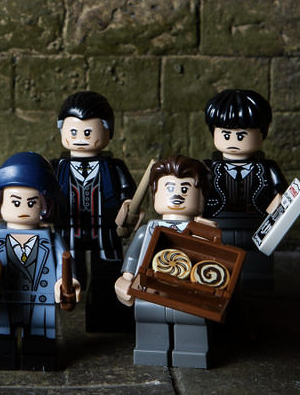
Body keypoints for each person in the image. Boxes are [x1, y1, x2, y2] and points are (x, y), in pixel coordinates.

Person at [0, 152, 79, 371]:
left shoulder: (52, 239)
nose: (23, 209)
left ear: (45, 205)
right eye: (16, 202)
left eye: (32, 203)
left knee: (40, 342)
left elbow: (64, 263)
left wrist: (67, 281)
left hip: (40, 301)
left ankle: (38, 359)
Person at [115, 156, 215, 369]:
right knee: (149, 318)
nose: (177, 194)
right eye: (169, 188)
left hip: (189, 292)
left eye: (185, 189)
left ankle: (191, 351)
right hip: (150, 289)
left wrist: (210, 238)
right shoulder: (147, 231)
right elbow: (132, 257)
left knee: (190, 320)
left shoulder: (203, 231)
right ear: (155, 194)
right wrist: (125, 279)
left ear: (201, 197)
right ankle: (151, 349)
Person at [54, 90, 137, 332]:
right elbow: (45, 192)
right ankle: (67, 312)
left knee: (107, 273)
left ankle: (106, 315)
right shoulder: (58, 167)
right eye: (73, 132)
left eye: (88, 132)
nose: (80, 138)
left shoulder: (113, 167)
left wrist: (128, 207)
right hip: (69, 229)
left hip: (105, 231)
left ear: (108, 132)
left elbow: (128, 192)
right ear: (62, 130)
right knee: (70, 273)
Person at [202, 88, 287, 293]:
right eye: (226, 134)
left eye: (241, 135)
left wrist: (280, 201)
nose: (233, 141)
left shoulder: (267, 168)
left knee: (256, 274)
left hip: (256, 227)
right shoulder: (207, 168)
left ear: (262, 133)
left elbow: (282, 191)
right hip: (218, 226)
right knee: (217, 273)